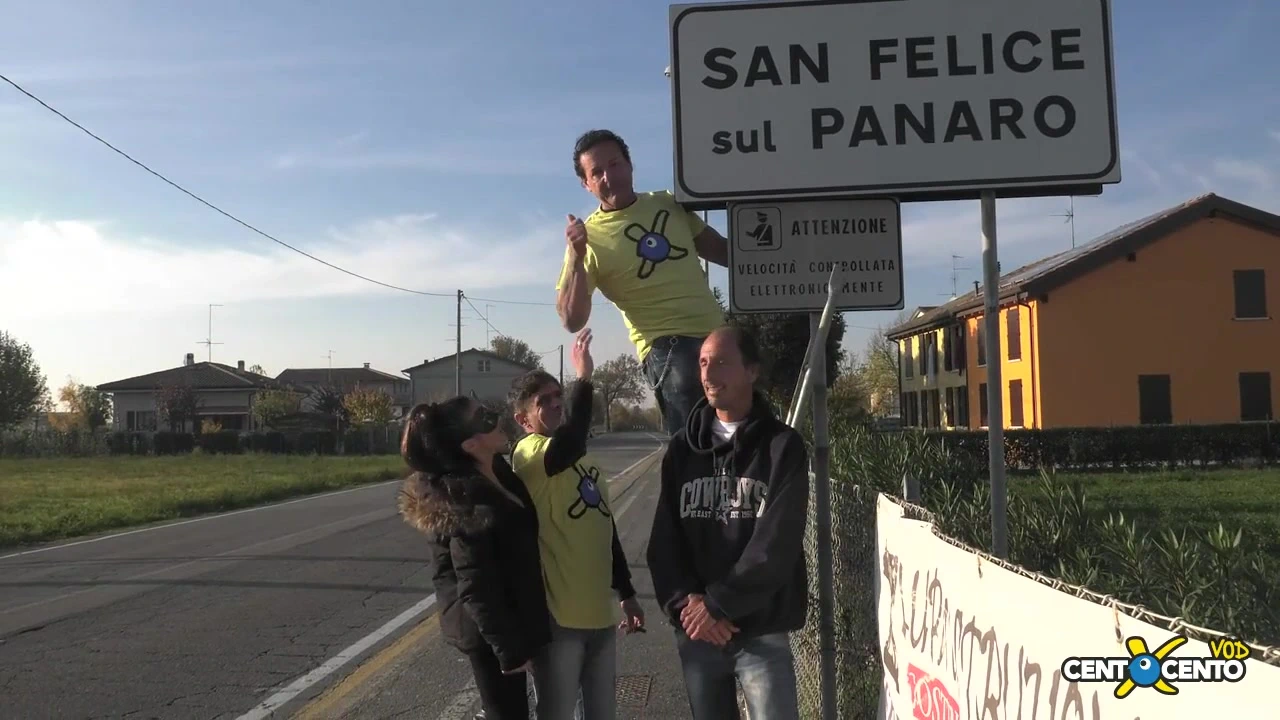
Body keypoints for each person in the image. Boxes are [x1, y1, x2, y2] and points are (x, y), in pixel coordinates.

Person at [645, 326, 810, 720]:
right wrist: (688, 606)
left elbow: (776, 542)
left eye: (720, 362)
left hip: (760, 633)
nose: (707, 373)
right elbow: (664, 542)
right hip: (698, 633)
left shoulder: (782, 446)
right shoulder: (682, 449)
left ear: (752, 371)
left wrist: (718, 604)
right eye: (703, 362)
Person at [509, 327, 646, 719]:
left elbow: (603, 528)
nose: (557, 403)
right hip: (559, 620)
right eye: (544, 401)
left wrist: (626, 592)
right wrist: (583, 379)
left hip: (600, 614)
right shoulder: (529, 455)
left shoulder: (583, 460)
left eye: (559, 396)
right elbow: (567, 444)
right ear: (523, 419)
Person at [556, 128, 730, 436]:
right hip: (668, 347)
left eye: (615, 164)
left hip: (718, 335)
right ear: (586, 184)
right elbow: (572, 319)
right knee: (697, 440)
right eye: (597, 172)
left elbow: (724, 252)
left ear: (629, 164)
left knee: (746, 434)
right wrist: (576, 258)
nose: (609, 176)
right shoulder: (589, 239)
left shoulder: (668, 203)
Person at [397, 396, 551, 720]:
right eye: (485, 419)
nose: (497, 419)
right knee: (508, 714)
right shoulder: (465, 500)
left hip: (511, 618)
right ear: (470, 445)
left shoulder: (497, 472)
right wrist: (508, 651)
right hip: (489, 633)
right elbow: (475, 585)